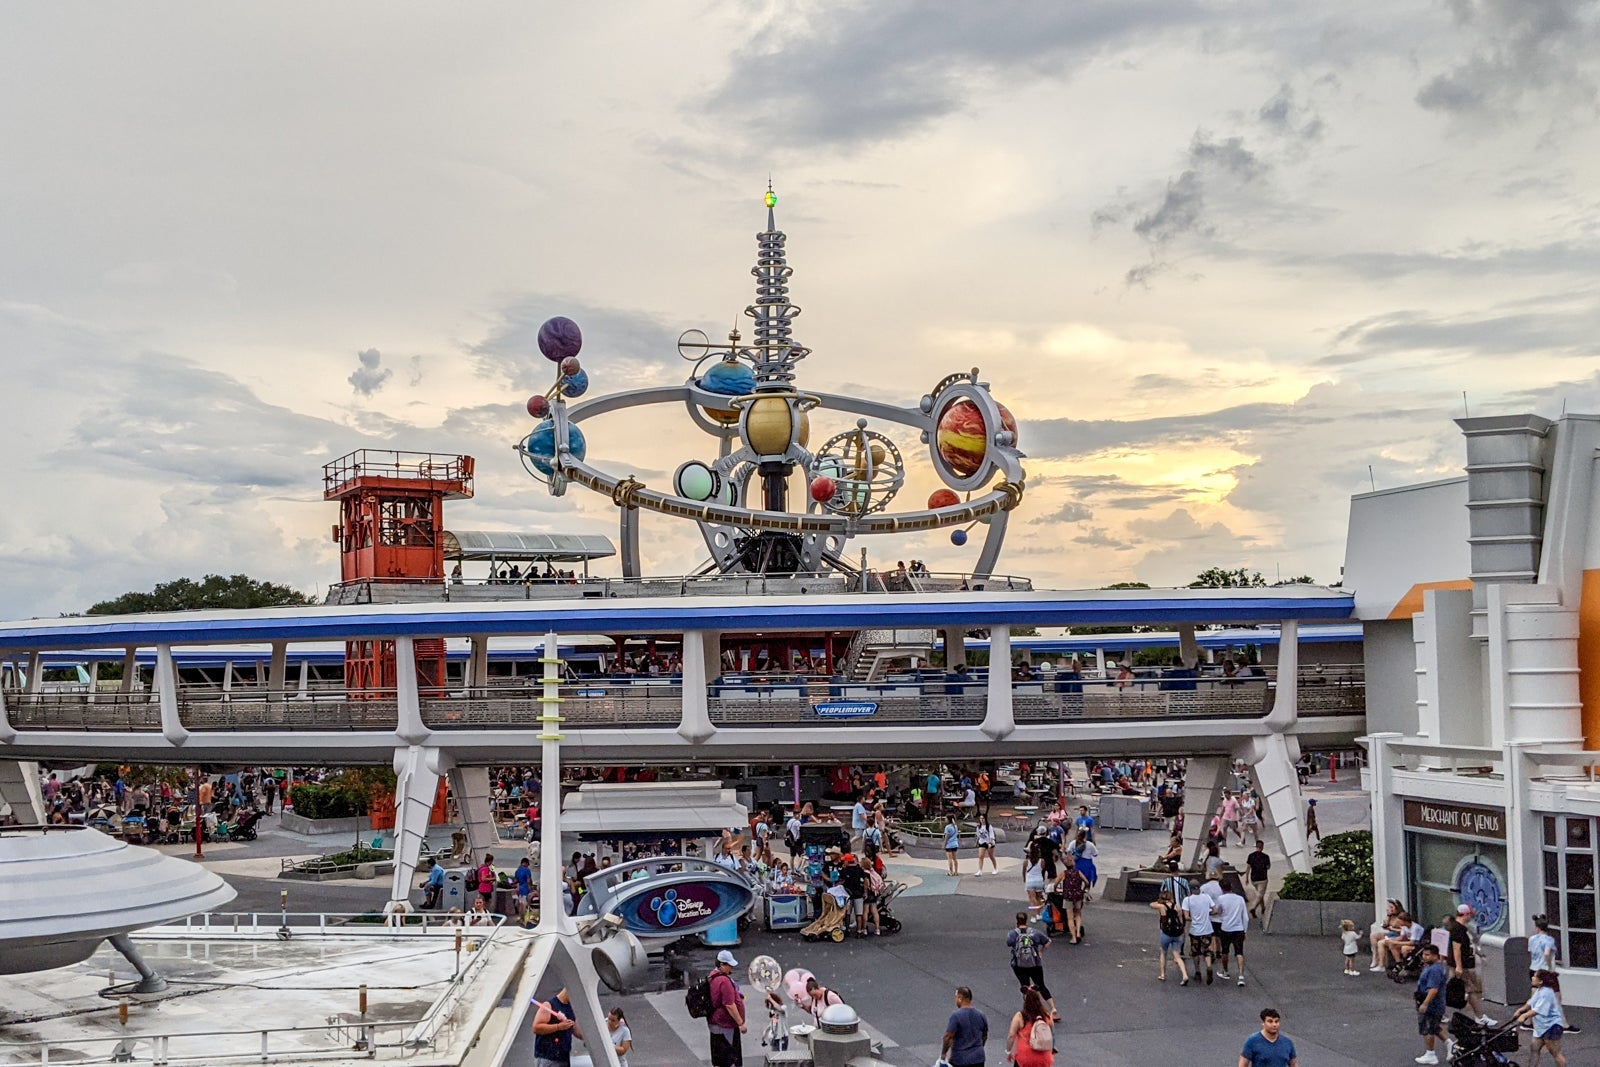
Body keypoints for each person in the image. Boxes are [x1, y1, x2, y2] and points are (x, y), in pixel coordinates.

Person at [1006, 911, 1061, 1021]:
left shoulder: (1013, 933)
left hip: (1019, 964)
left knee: (1025, 987)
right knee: (1041, 985)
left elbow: (1009, 943)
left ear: (1017, 921)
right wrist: (1041, 952)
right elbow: (1047, 941)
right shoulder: (1035, 932)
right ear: (1026, 920)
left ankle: (1032, 1010)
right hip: (1035, 963)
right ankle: (1053, 1008)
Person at [1511, 970, 1569, 1067]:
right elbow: (1530, 1003)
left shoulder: (1546, 993)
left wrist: (1524, 1016)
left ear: (1540, 981)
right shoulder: (1540, 990)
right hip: (1541, 1027)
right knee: (1534, 1049)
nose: (1532, 978)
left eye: (1534, 977)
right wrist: (1521, 1010)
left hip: (1551, 1027)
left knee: (1555, 1053)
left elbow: (1538, 1010)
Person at [1447, 905, 1493, 1024]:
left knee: (1454, 988)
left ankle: (1479, 1015)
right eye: (1470, 915)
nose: (1471, 917)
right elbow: (1456, 949)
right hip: (1461, 965)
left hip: (1457, 964)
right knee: (1470, 990)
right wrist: (1459, 966)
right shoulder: (1459, 929)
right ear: (1465, 915)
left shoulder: (1455, 927)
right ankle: (1479, 1016)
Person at [707, 949, 747, 1067]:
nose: (732, 969)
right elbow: (729, 1004)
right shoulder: (723, 981)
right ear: (722, 965)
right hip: (725, 1024)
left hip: (716, 1022)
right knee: (728, 1057)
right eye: (729, 965)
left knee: (719, 1056)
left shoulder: (712, 976)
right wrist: (740, 1023)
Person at [1412, 943, 1447, 1065]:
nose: (1424, 957)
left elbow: (1433, 989)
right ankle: (1450, 1044)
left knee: (1427, 1029)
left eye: (1427, 955)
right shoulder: (1436, 967)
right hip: (1436, 1003)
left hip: (1432, 1004)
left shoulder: (1434, 970)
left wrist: (1425, 1004)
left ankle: (1430, 1054)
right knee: (1435, 1027)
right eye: (1423, 954)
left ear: (1435, 956)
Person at [531, 987, 583, 1067]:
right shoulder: (549, 1005)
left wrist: (587, 1038)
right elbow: (536, 1027)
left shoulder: (570, 1007)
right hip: (548, 1057)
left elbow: (574, 1028)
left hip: (563, 1057)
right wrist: (558, 1027)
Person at [1005, 988, 1055, 1067]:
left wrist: (1008, 1051)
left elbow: (1011, 1035)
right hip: (1044, 1057)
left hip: (1026, 1058)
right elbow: (1052, 1032)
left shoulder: (1020, 1016)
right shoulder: (1045, 1015)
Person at [941, 986, 988, 1067]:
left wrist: (943, 1054)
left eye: (956, 997)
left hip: (960, 1059)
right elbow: (984, 1036)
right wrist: (979, 1048)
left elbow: (948, 1037)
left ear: (960, 998)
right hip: (978, 1058)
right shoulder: (981, 1015)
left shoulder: (956, 1016)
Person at [1150, 890, 1190, 984]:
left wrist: (1160, 901)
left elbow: (1151, 904)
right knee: (1177, 955)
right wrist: (1183, 932)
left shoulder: (1161, 906)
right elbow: (1181, 921)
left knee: (1163, 953)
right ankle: (1184, 975)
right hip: (1177, 933)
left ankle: (1162, 974)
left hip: (1166, 932)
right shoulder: (1177, 907)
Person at [1216, 881, 1250, 985]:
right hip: (1239, 928)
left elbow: (1219, 911)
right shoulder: (1240, 899)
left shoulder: (1221, 899)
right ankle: (1240, 975)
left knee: (1225, 951)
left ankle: (1225, 971)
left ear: (1222, 889)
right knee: (1239, 952)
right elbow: (1245, 917)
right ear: (1231, 887)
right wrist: (1245, 930)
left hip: (1226, 928)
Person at [1183, 884, 1218, 984]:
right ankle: (1209, 966)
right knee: (1207, 950)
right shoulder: (1207, 897)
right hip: (1207, 929)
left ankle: (1198, 972)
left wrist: (1194, 918)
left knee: (1195, 952)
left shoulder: (1187, 900)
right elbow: (1215, 910)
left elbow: (1186, 917)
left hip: (1195, 930)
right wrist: (1207, 914)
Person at [1244, 840, 1271, 919]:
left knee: (1260, 894)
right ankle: (1253, 908)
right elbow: (1268, 867)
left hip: (1253, 878)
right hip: (1262, 878)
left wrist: (1246, 878)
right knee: (1260, 894)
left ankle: (1263, 908)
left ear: (1256, 846)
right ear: (1262, 847)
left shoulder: (1251, 856)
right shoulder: (1266, 856)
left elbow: (1248, 868)